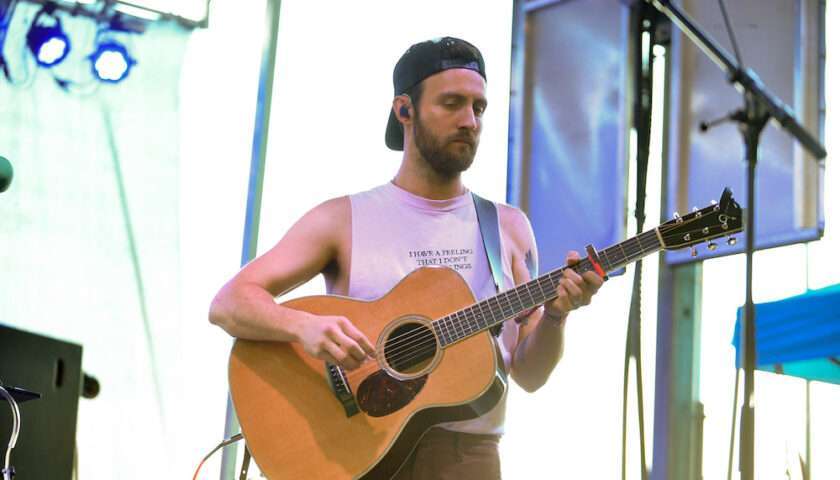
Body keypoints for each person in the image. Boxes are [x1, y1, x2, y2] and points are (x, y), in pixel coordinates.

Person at [209, 36, 603, 479]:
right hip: (355, 453)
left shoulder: (507, 228)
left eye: (479, 108)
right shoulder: (343, 219)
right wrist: (304, 327)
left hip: (466, 460)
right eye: (452, 103)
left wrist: (556, 316)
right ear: (404, 110)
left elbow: (530, 375)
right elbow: (230, 303)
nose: (469, 121)